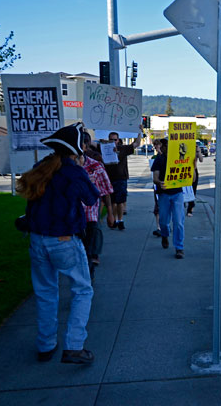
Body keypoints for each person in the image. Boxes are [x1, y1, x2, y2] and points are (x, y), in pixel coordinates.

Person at [17, 123, 99, 364]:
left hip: (37, 239)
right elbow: (91, 198)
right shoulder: (73, 171)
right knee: (82, 290)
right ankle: (74, 346)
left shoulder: (41, 166)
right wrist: (82, 170)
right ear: (77, 149)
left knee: (45, 292)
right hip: (64, 240)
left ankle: (46, 345)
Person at [81, 131, 114, 281]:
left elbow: (105, 190)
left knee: (88, 247)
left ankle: (89, 272)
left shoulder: (95, 165)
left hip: (90, 215)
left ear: (85, 146)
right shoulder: (62, 166)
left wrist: (110, 213)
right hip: (70, 216)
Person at [151, 139, 186, 259]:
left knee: (178, 222)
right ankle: (165, 234)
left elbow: (192, 178)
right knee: (164, 222)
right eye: (164, 146)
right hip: (164, 194)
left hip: (177, 193)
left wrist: (194, 164)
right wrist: (159, 182)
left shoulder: (179, 159)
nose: (166, 148)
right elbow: (155, 177)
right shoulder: (159, 160)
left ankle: (179, 247)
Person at [104, 126, 143, 230]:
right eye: (111, 139)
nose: (113, 141)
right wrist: (84, 129)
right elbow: (91, 145)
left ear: (118, 140)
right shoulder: (104, 147)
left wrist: (139, 132)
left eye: (115, 139)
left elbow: (136, 144)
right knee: (112, 202)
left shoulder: (123, 148)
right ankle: (114, 219)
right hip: (109, 178)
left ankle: (120, 220)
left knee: (120, 201)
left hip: (121, 178)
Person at [186, 141, 205, 216]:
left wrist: (198, 151)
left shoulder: (196, 150)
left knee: (193, 191)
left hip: (194, 170)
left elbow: (201, 159)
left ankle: (190, 209)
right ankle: (189, 206)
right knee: (186, 190)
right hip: (186, 171)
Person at [151, 139, 163, 236]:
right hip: (157, 185)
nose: (155, 147)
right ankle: (159, 227)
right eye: (154, 145)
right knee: (157, 207)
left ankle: (165, 226)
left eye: (157, 145)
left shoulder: (166, 156)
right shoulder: (154, 157)